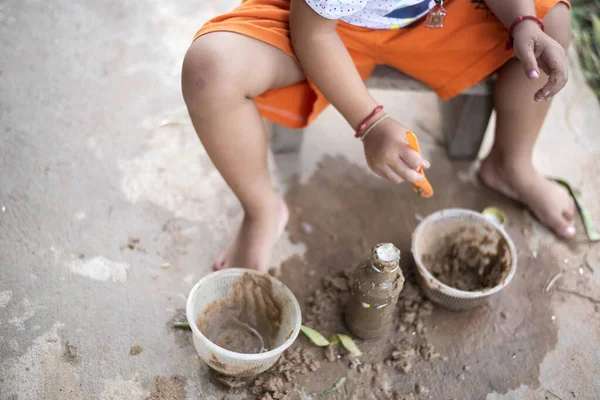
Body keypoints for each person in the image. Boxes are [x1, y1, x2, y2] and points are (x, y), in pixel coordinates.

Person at [182, 0, 575, 272]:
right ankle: (261, 208)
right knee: (212, 71)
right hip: (319, 24)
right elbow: (314, 33)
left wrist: (523, 21)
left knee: (551, 20)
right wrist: (369, 122)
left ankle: (512, 163)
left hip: (437, 17)